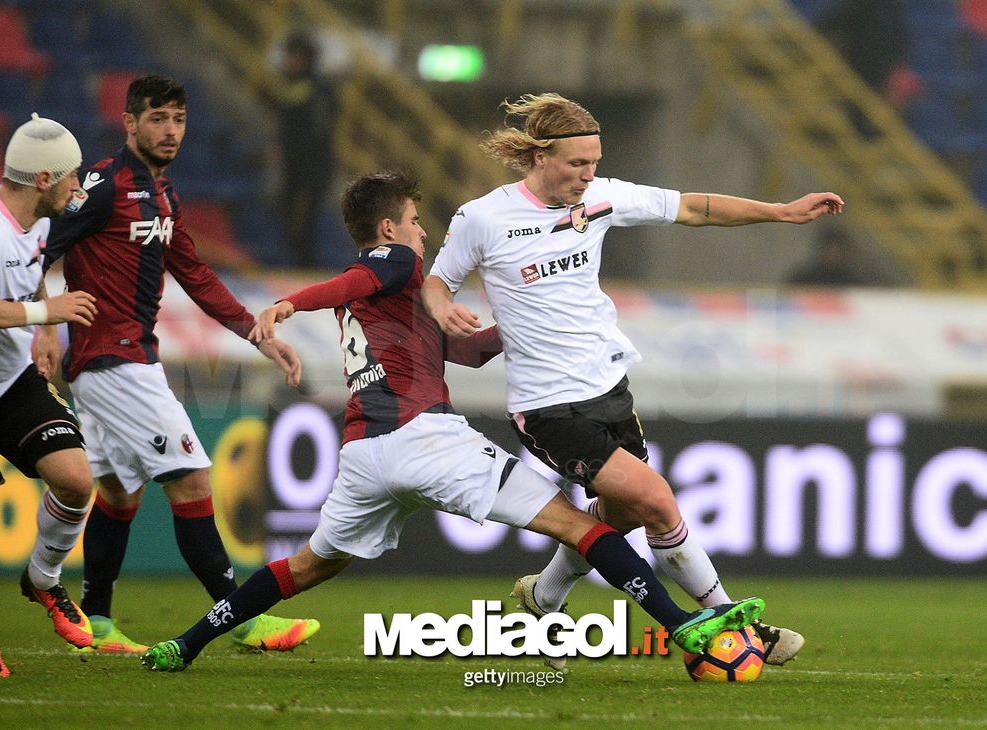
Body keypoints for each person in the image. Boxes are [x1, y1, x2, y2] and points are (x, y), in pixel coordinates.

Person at [140, 171, 765, 671]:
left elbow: (462, 352)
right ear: (389, 227)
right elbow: (353, 276)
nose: (423, 232)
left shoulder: (386, 301)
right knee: (580, 525)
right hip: (427, 439)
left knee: (305, 567)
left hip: (364, 455)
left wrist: (524, 320)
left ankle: (185, 645)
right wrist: (288, 303)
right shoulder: (396, 263)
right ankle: (682, 624)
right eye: (415, 220)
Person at [422, 93, 845, 669]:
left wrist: (782, 211)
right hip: (548, 406)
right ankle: (738, 622)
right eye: (577, 163)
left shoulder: (600, 198)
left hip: (609, 388)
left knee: (621, 514)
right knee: (656, 500)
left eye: (594, 162)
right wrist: (443, 308)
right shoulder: (483, 218)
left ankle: (545, 594)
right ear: (541, 157)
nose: (588, 174)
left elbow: (693, 208)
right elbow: (437, 282)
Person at [39, 74, 318, 655]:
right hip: (113, 360)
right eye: (158, 118)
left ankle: (98, 622)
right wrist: (42, 322)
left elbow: (194, 273)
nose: (170, 131)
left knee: (120, 492)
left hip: (120, 360)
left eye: (179, 119)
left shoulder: (163, 194)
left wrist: (257, 334)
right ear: (130, 123)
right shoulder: (104, 185)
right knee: (191, 479)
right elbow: (39, 247)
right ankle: (242, 618)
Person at [0, 114, 100, 676]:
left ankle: (43, 578)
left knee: (76, 479)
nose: (78, 186)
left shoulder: (39, 220)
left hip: (9, 382)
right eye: (72, 175)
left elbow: (33, 267)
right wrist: (47, 313)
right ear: (44, 178)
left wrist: (44, 332)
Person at [274, 31, 341, 268]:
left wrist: (288, 150)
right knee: (290, 218)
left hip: (312, 166)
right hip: (296, 166)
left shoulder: (316, 90)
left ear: (302, 58)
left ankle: (305, 267)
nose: (286, 61)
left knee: (305, 221)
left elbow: (318, 131)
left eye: (290, 56)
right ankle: (297, 264)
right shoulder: (294, 88)